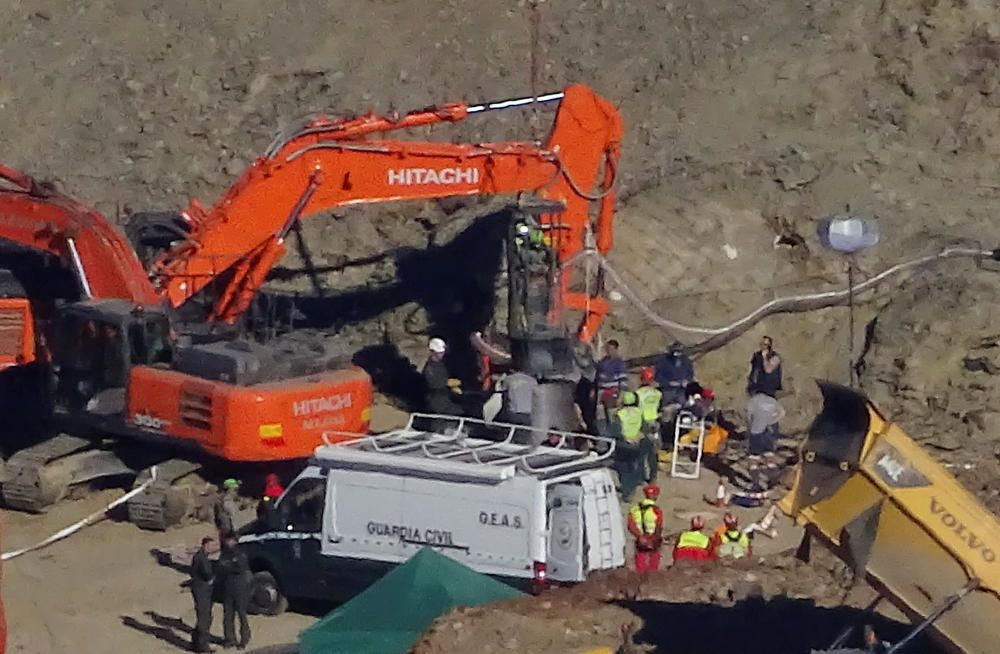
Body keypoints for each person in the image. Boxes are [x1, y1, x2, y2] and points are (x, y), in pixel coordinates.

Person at [216, 532, 252, 649]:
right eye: (226, 540)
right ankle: (229, 639)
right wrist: (229, 566)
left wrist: (228, 566)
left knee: (241, 615)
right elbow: (220, 567)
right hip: (227, 588)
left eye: (230, 540)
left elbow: (241, 567)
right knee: (227, 616)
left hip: (240, 588)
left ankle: (244, 638)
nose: (228, 543)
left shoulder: (240, 552)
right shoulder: (224, 553)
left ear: (234, 541)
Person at [613, 391, 648, 499]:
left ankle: (626, 491)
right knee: (633, 467)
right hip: (636, 444)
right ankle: (631, 490)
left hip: (623, 445)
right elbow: (644, 428)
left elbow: (616, 431)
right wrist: (638, 437)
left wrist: (626, 439)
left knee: (622, 468)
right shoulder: (639, 412)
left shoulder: (620, 414)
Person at [627, 483, 664, 572]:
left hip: (640, 541)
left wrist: (640, 536)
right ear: (655, 495)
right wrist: (655, 540)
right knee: (653, 566)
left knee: (640, 564)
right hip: (653, 539)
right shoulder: (657, 510)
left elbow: (631, 526)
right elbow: (658, 526)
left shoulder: (634, 509)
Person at [189, 536, 218, 653]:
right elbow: (207, 574)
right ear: (205, 545)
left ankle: (196, 643)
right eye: (211, 545)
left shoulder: (199, 556)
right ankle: (202, 647)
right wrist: (213, 578)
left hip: (199, 588)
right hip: (202, 590)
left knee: (203, 617)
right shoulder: (201, 558)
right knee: (204, 618)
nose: (213, 548)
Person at [422, 337, 463, 416]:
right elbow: (432, 384)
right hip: (435, 401)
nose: (441, 355)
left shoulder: (441, 364)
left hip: (445, 397)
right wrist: (446, 383)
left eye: (442, 352)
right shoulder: (429, 367)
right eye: (439, 353)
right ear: (432, 352)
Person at [634, 367, 663, 476]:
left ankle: (641, 474)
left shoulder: (638, 393)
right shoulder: (658, 394)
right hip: (654, 422)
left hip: (643, 423)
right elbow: (660, 408)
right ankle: (653, 474)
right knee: (653, 451)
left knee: (642, 450)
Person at [595, 340, 627, 426]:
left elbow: (623, 381)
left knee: (612, 417)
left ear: (616, 349)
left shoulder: (619, 363)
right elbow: (598, 377)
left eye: (611, 349)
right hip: (601, 392)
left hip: (612, 393)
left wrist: (620, 397)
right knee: (600, 417)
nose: (609, 351)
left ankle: (613, 435)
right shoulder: (603, 361)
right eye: (607, 349)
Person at [653, 342, 694, 407]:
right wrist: (669, 383)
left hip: (681, 391)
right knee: (666, 408)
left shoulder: (686, 361)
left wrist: (687, 381)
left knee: (683, 407)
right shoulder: (663, 361)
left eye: (680, 352)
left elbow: (690, 374)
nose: (678, 355)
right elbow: (657, 376)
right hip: (667, 390)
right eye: (676, 352)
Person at [746, 391, 786, 455]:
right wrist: (771, 422)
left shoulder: (752, 401)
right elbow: (782, 412)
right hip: (770, 428)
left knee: (755, 453)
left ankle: (756, 457)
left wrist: (749, 431)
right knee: (769, 452)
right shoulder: (771, 400)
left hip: (757, 430)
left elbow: (749, 417)